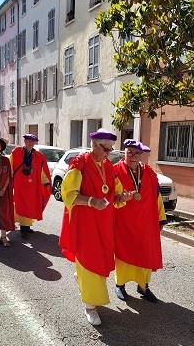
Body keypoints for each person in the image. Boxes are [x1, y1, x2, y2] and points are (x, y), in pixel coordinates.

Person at [59, 128, 133, 326]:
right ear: (94, 145)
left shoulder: (108, 165)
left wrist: (122, 197)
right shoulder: (79, 163)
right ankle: (90, 306)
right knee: (90, 260)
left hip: (104, 223)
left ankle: (83, 277)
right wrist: (91, 201)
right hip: (85, 222)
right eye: (106, 149)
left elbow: (113, 195)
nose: (109, 154)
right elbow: (68, 194)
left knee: (100, 260)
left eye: (111, 150)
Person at [113, 139, 167, 303]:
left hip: (146, 224)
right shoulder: (115, 171)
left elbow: (156, 197)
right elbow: (112, 198)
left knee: (145, 254)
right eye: (129, 152)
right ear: (125, 153)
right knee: (123, 254)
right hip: (124, 223)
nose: (133, 156)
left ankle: (143, 286)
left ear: (141, 155)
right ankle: (120, 285)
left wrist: (160, 218)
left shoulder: (149, 172)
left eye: (137, 153)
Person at [9, 134, 51, 237]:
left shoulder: (38, 156)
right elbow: (10, 165)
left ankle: (27, 226)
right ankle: (24, 228)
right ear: (25, 141)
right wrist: (8, 180)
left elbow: (41, 171)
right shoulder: (16, 152)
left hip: (32, 186)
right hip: (19, 184)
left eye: (32, 142)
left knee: (29, 206)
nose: (30, 143)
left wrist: (45, 182)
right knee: (21, 205)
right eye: (28, 141)